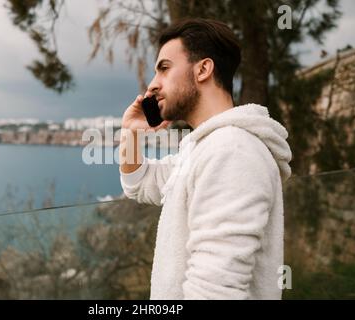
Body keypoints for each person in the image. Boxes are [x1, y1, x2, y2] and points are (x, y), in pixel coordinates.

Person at [118, 18, 292, 299]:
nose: (151, 85)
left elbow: (215, 291)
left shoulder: (232, 151)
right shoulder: (203, 148)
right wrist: (131, 133)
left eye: (164, 69)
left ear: (203, 69)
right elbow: (139, 184)